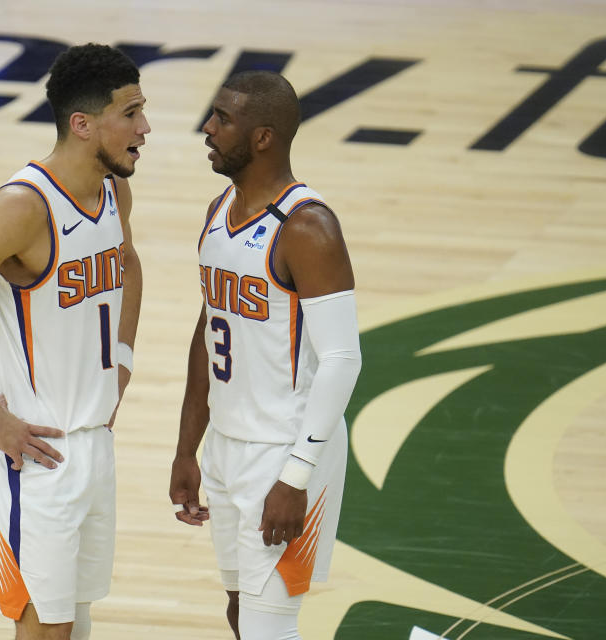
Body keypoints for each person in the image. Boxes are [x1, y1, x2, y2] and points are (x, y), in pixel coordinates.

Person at [0, 43, 148, 640]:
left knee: (78, 618)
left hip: (92, 441)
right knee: (45, 627)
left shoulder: (114, 193)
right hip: (33, 451)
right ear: (83, 124)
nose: (145, 128)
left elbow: (129, 265)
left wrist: (122, 361)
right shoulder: (23, 206)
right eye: (131, 113)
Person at [169, 70, 362, 640]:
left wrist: (296, 477)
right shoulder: (217, 211)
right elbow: (211, 329)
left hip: (286, 451)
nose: (207, 128)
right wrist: (188, 447)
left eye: (222, 119)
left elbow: (343, 360)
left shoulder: (308, 227)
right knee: (239, 611)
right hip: (228, 445)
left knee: (267, 628)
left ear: (263, 138)